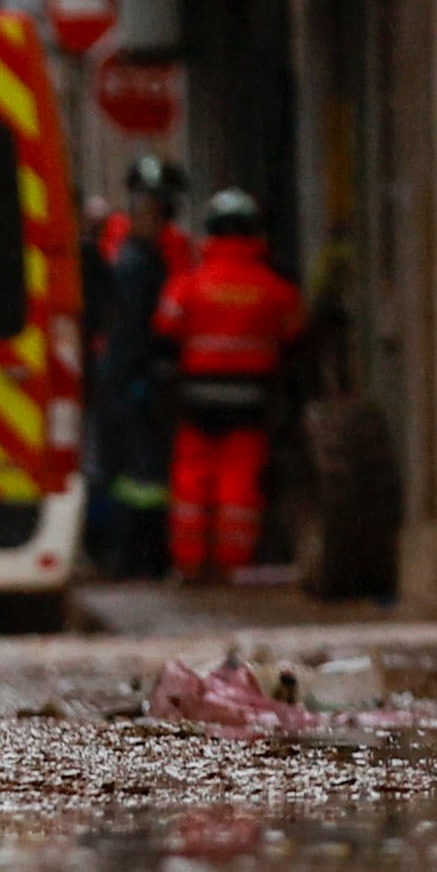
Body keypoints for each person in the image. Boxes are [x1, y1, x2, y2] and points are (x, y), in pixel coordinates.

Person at [155, 188, 305, 585]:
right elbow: (297, 335)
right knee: (239, 480)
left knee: (191, 479)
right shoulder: (275, 288)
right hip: (251, 401)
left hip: (196, 399)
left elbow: (165, 331)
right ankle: (231, 562)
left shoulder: (187, 284)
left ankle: (190, 563)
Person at [86, 154, 190, 579]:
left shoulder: (148, 257)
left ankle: (136, 555)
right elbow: (128, 330)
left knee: (138, 476)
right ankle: (133, 557)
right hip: (127, 384)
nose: (154, 217)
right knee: (136, 475)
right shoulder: (134, 263)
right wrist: (133, 378)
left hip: (131, 381)